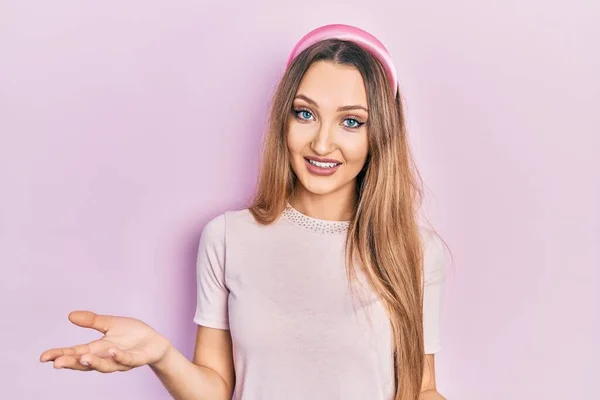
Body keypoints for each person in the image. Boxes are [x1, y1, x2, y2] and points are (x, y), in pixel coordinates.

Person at [39, 24, 448, 400]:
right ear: (283, 118)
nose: (322, 144)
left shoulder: (414, 251)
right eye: (305, 114)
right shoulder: (227, 237)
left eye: (351, 122)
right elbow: (215, 388)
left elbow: (421, 389)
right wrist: (160, 354)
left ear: (380, 135)